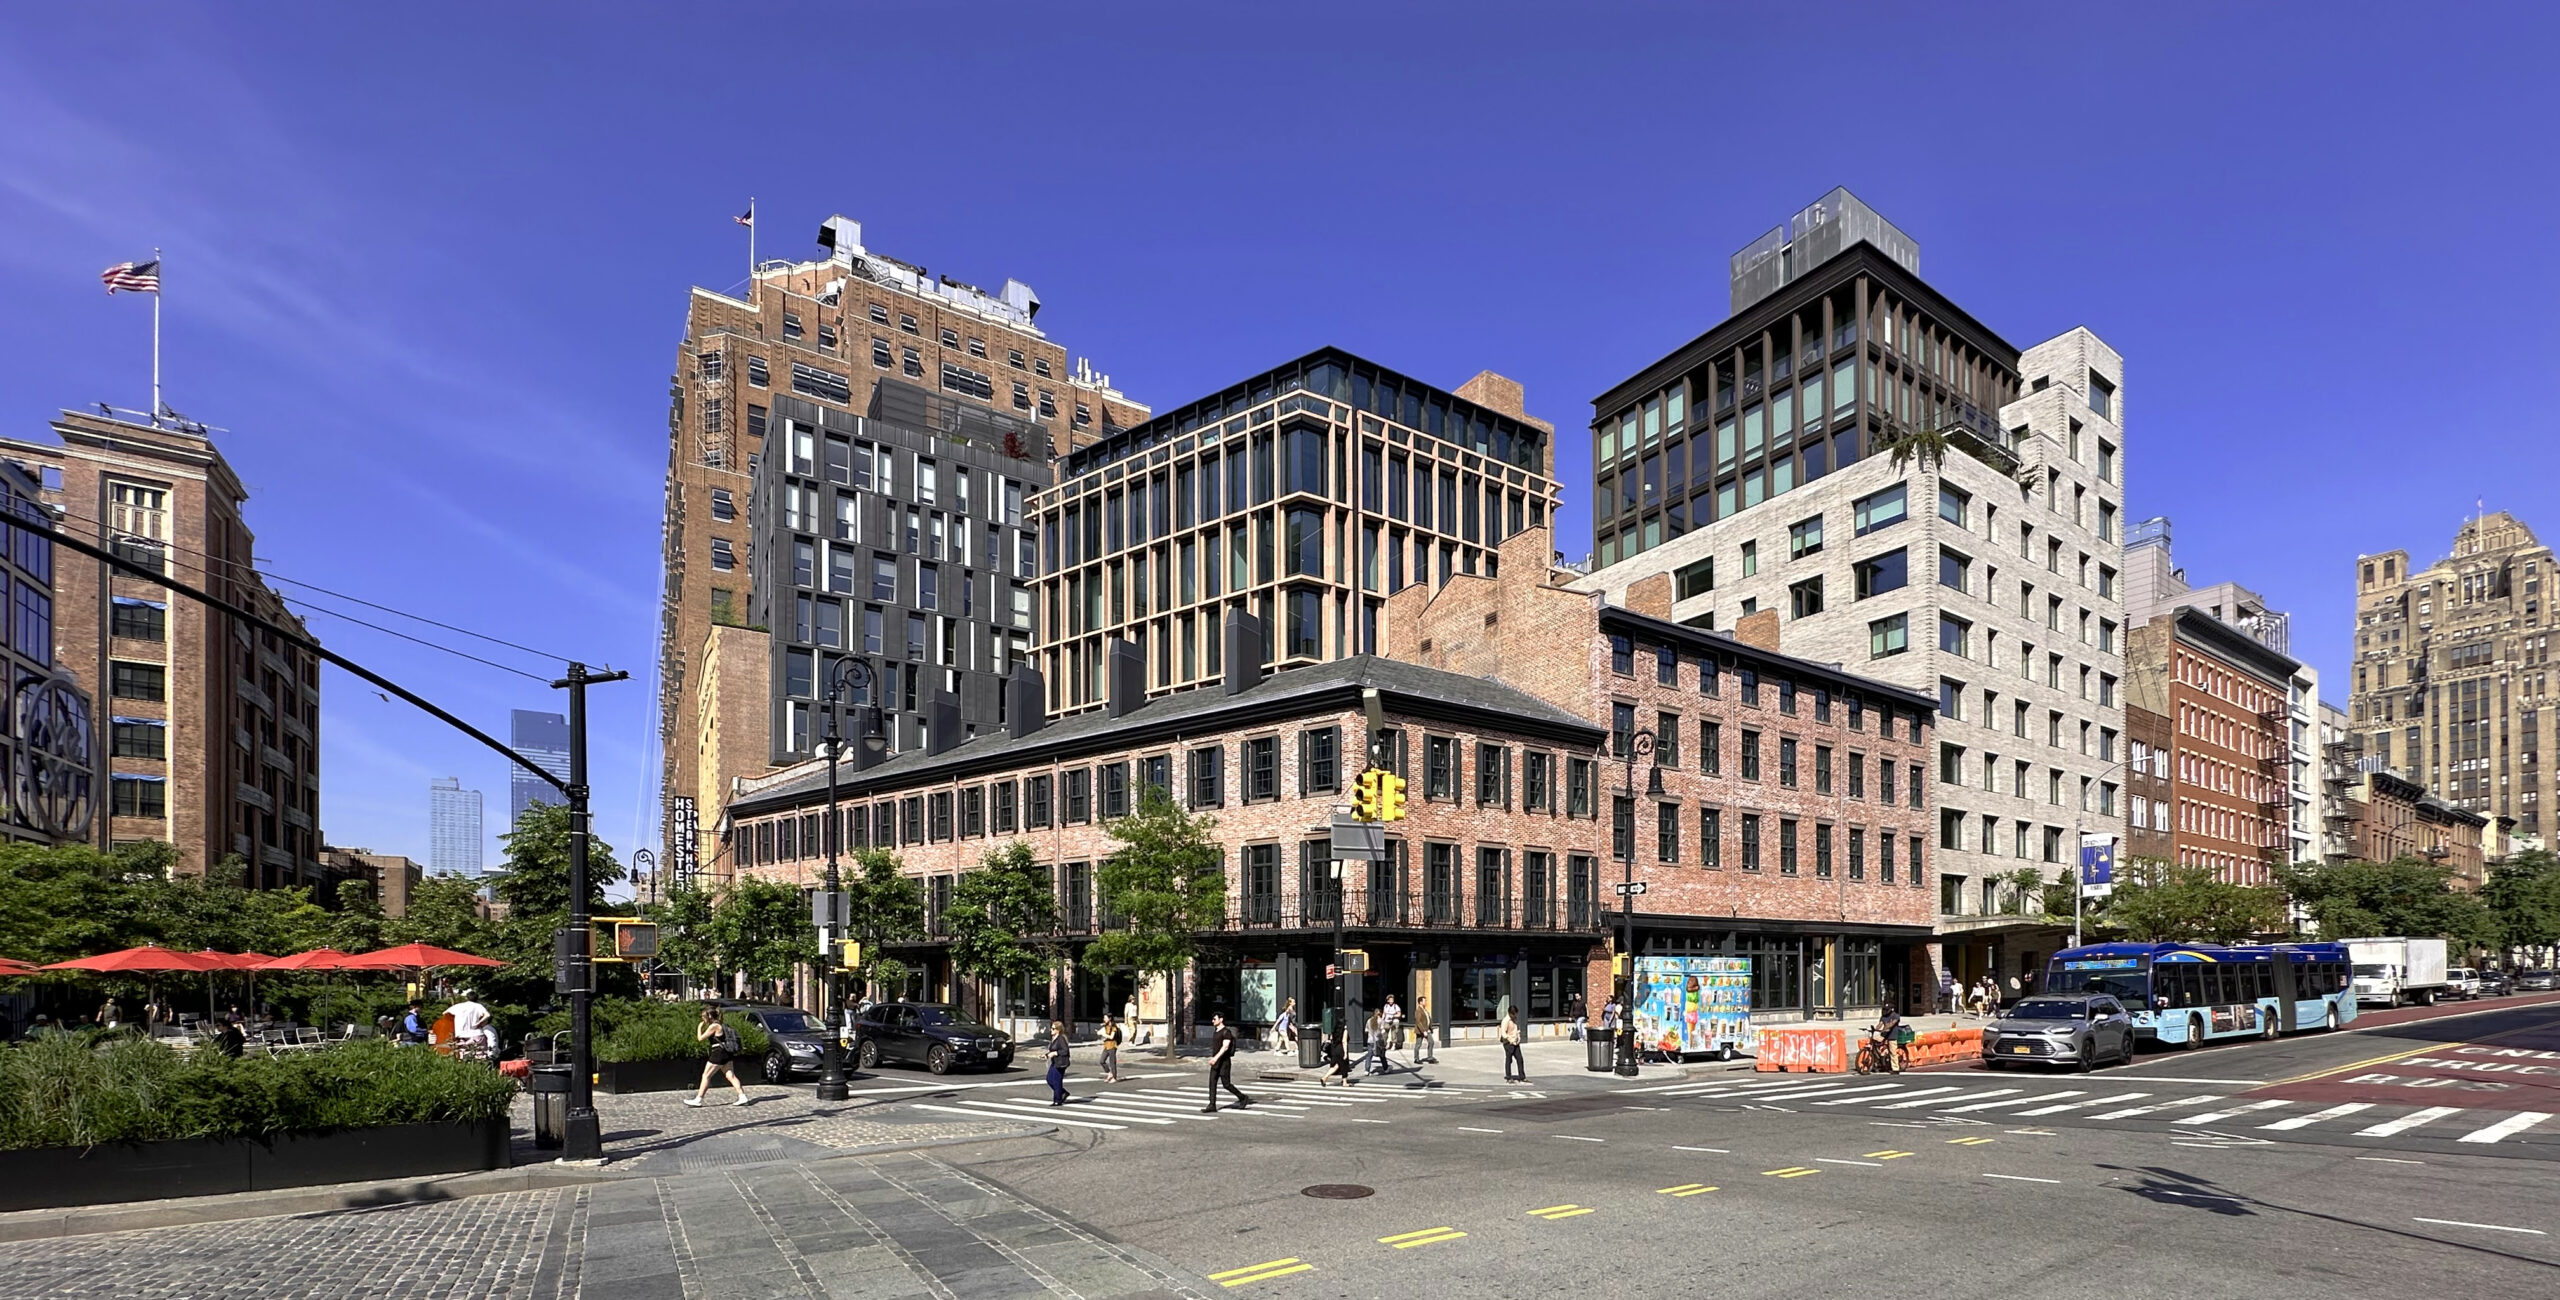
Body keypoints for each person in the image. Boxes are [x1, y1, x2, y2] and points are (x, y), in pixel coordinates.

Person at [685, 1005, 750, 1107]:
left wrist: (699, 1027)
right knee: (730, 1075)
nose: (703, 1019)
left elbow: (700, 1038)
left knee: (706, 1075)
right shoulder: (720, 1024)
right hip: (726, 1052)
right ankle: (742, 1096)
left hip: (718, 1053)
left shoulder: (714, 1026)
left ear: (710, 1016)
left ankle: (698, 1099)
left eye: (704, 1017)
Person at [1202, 1012, 1252, 1113]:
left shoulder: (1226, 1032)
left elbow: (1225, 1047)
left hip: (1224, 1062)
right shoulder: (1216, 1031)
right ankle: (1212, 1105)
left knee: (1226, 1084)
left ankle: (1243, 1097)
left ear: (1221, 1020)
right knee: (1212, 1082)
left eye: (1214, 1019)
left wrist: (1215, 1058)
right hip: (1216, 1062)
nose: (1212, 1021)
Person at [446, 989, 495, 1061]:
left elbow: (445, 1013)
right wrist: (478, 1023)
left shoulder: (459, 1006)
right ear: (477, 999)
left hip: (461, 1034)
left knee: (463, 1056)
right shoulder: (478, 1006)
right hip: (476, 1034)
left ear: (466, 998)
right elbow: (487, 1015)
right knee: (479, 1056)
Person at [1871, 1004, 1905, 1072]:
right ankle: (1878, 1062)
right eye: (1884, 1009)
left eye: (1886, 1010)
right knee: (1874, 1041)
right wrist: (1875, 1029)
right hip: (1884, 1034)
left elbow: (1892, 1023)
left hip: (1892, 1035)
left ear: (1891, 1009)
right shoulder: (1883, 1016)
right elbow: (1880, 1024)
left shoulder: (1895, 1015)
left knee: (1893, 1051)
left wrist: (1886, 1027)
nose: (1885, 1011)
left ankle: (1895, 1069)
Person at [1044, 1020, 1071, 1106]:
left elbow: (1065, 1051)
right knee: (1049, 1079)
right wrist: (1047, 1055)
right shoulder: (1054, 1038)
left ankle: (1057, 1100)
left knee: (1057, 1081)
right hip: (1055, 1062)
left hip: (1061, 1063)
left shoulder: (1061, 1039)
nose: (1051, 1030)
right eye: (1051, 1028)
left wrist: (1055, 1053)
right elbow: (1052, 1050)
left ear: (1058, 1030)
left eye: (1053, 1029)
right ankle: (1062, 1092)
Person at [1499, 1008, 1527, 1082]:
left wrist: (1518, 1037)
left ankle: (1522, 1077)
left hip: (1515, 1042)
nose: (1515, 1015)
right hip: (1508, 1043)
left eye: (1516, 1014)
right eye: (1514, 1014)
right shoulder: (1506, 1021)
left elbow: (1517, 1029)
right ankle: (1508, 1077)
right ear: (1510, 1013)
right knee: (1509, 1060)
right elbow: (1503, 1033)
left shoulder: (1515, 1019)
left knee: (1520, 1059)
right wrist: (1509, 1039)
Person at [1359, 1010, 1387, 1075]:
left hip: (1370, 1040)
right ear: (1380, 1014)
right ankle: (1385, 1068)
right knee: (1382, 1055)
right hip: (1378, 1041)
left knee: (1369, 1055)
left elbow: (1366, 1030)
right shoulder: (1381, 1021)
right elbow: (1383, 1031)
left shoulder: (1369, 1020)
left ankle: (1367, 1070)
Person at [1099, 1013, 1123, 1083]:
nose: (1104, 1019)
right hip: (1106, 1046)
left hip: (1112, 1046)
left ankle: (1114, 1077)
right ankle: (1109, 1073)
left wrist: (1103, 1034)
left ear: (1109, 1019)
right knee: (1102, 1061)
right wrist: (1100, 1033)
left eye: (1105, 1018)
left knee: (1112, 1062)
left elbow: (1112, 1037)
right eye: (1104, 1018)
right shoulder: (1105, 1026)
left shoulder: (1113, 1027)